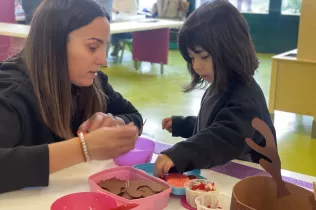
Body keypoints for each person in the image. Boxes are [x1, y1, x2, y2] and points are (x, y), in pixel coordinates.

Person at [0, 0, 143, 194]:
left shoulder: (91, 82)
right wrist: (84, 149)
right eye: (92, 47)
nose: (103, 60)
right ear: (54, 44)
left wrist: (114, 123)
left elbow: (133, 116)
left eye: (104, 47)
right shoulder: (12, 91)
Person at [154, 0, 276, 177]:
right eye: (191, 58)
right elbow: (214, 124)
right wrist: (184, 125)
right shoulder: (220, 83)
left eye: (203, 56)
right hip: (225, 176)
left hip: (251, 184)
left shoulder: (246, 100)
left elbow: (223, 138)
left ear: (231, 50)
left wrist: (181, 153)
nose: (196, 66)